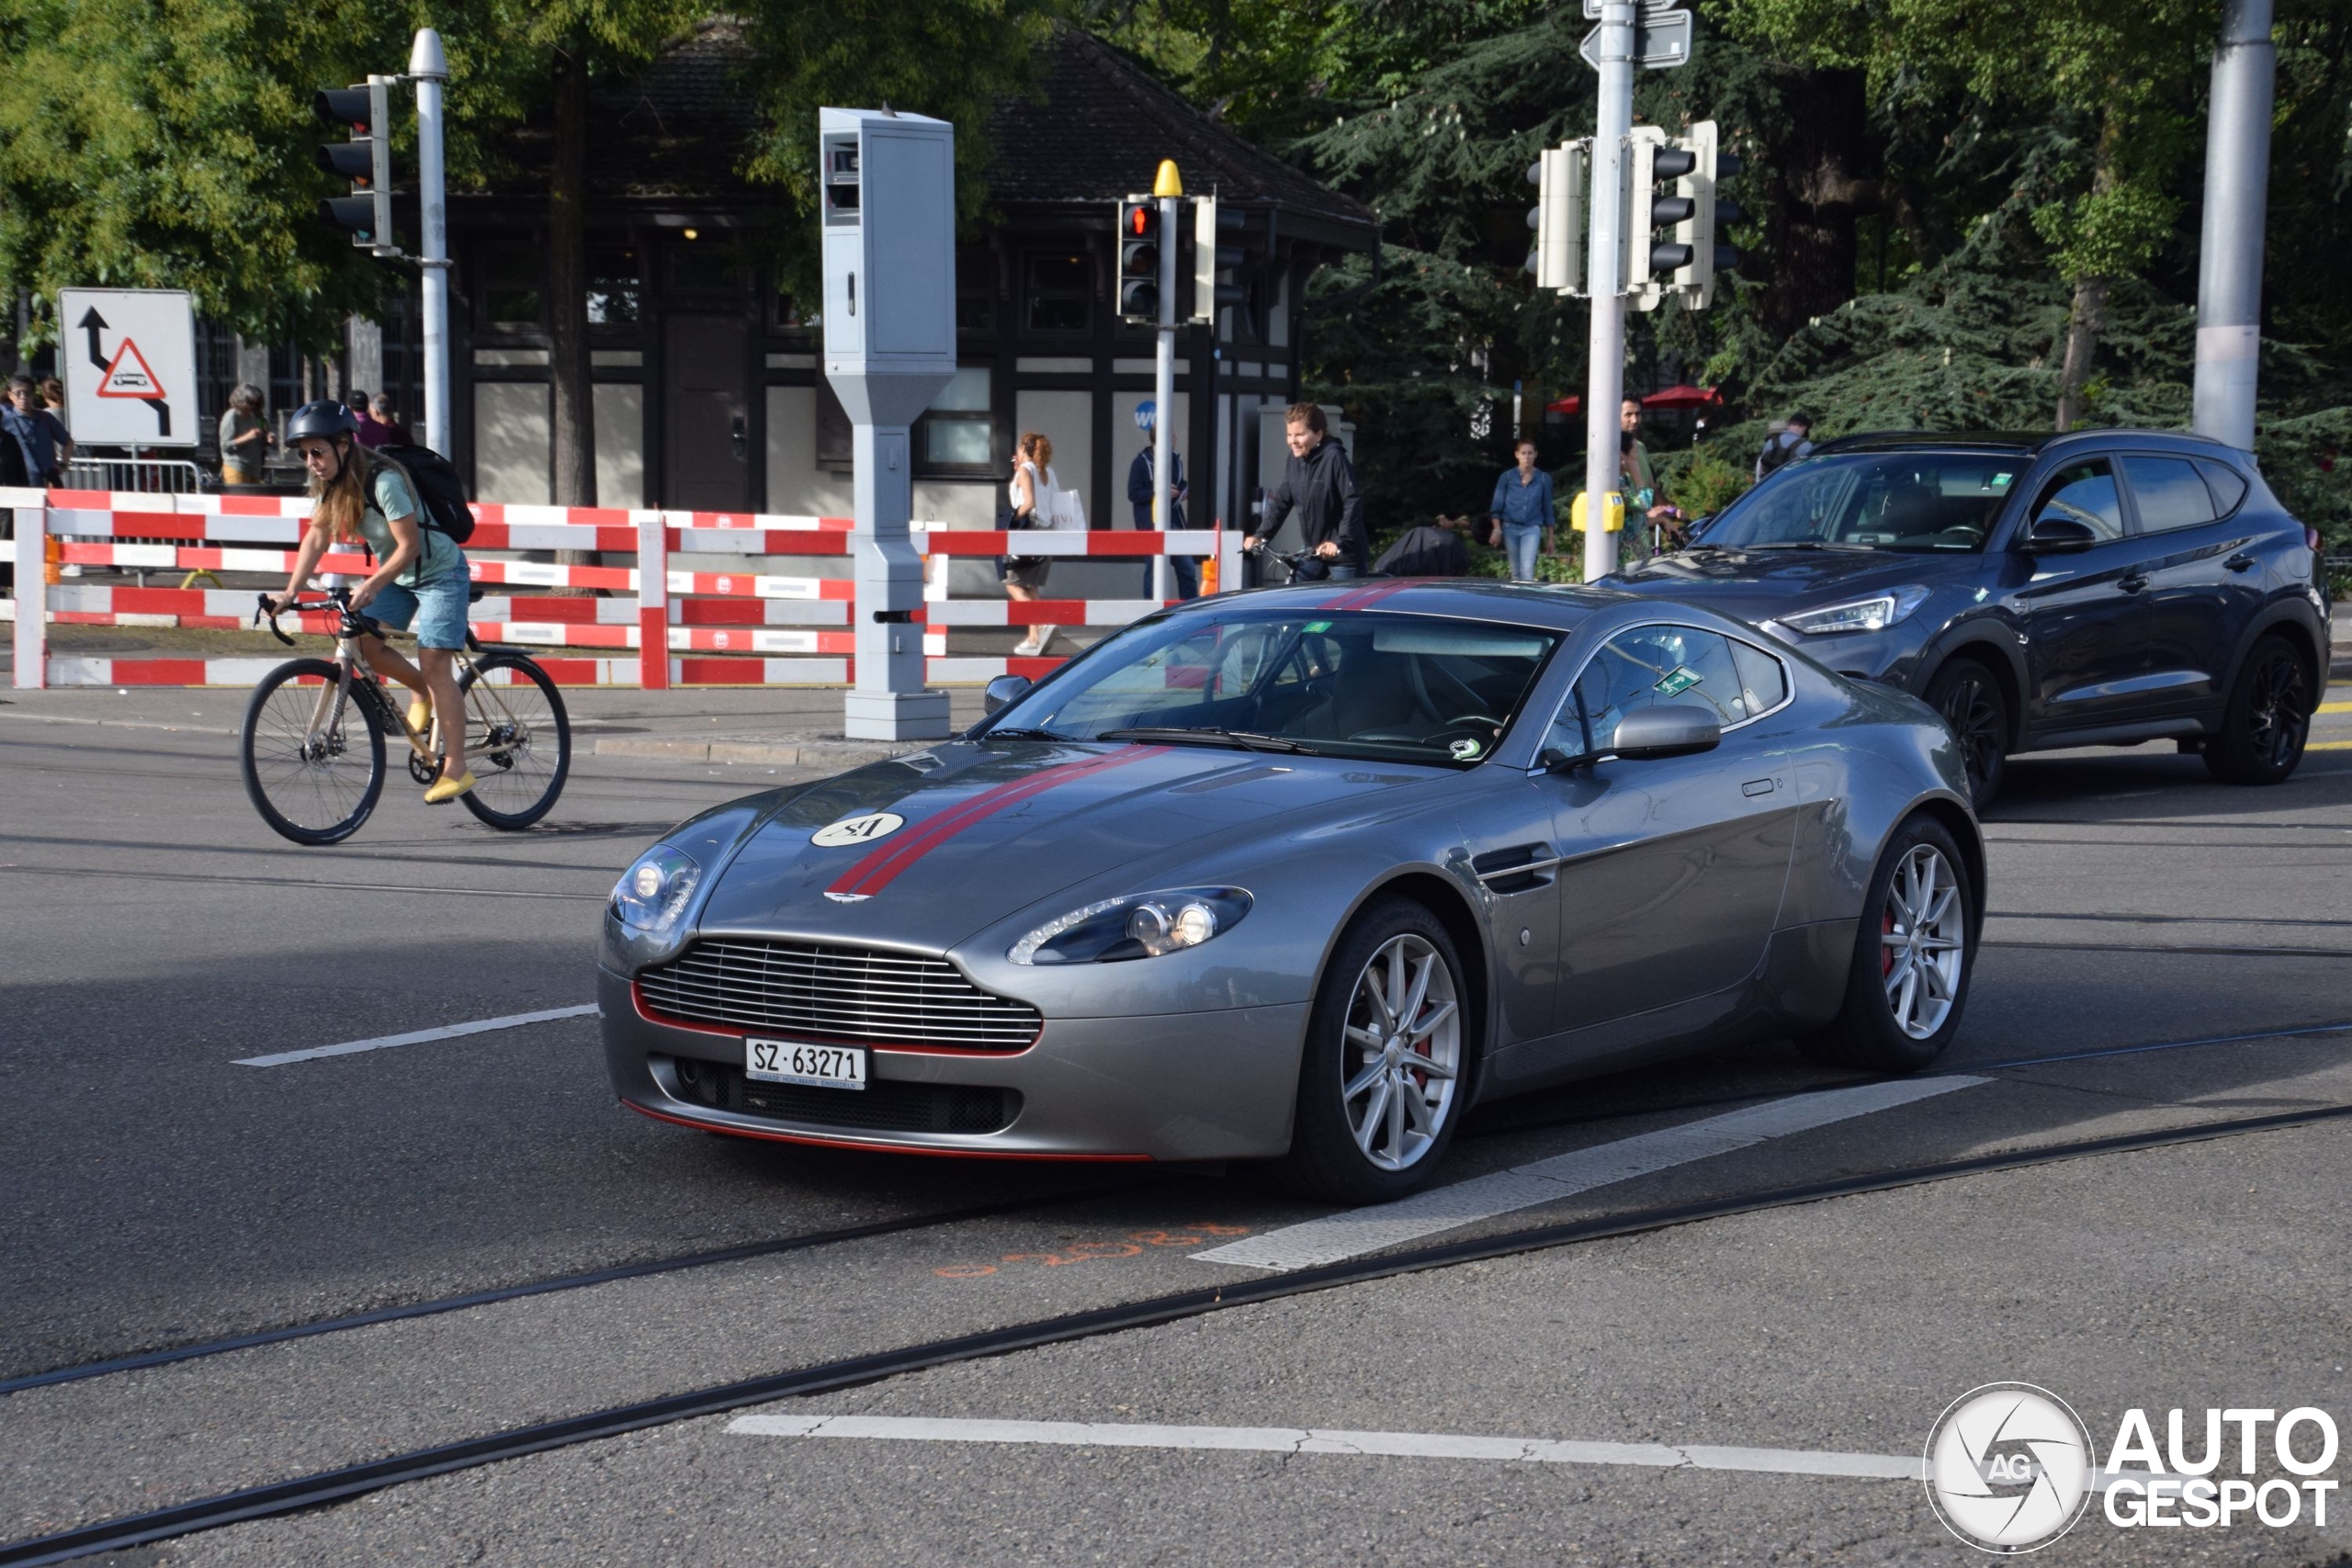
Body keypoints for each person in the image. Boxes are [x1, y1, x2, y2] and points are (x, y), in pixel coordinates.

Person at [265, 400, 476, 803]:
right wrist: (290, 592)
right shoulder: (334, 484)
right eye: (305, 453)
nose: (311, 461)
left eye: (317, 451)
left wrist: (373, 584)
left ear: (343, 445)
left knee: (434, 661)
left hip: (440, 573)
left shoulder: (384, 482)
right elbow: (317, 536)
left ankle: (457, 768)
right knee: (361, 642)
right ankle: (423, 692)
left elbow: (410, 546)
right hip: (398, 575)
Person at [1246, 402, 1365, 580]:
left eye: (1300, 435)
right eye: (1289, 435)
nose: (1292, 441)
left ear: (1319, 434)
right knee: (1296, 591)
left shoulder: (1334, 458)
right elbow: (1281, 502)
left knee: (1344, 604)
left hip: (1343, 552)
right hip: (1314, 548)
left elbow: (1352, 501)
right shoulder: (1295, 460)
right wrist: (1261, 535)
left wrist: (1340, 541)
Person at [1125, 400, 1198, 601]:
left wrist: (1183, 491)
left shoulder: (1176, 459)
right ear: (1162, 439)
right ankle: (1151, 611)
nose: (1176, 439)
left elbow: (1181, 483)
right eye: (1172, 436)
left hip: (1174, 521)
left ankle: (1191, 607)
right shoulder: (1141, 462)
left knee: (1187, 568)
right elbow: (1133, 493)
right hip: (1151, 523)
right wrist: (1159, 493)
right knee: (1153, 569)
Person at [1004, 431, 1061, 658]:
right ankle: (1034, 638)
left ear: (1023, 449)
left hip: (1028, 531)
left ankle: (1042, 623)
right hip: (1047, 532)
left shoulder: (1026, 470)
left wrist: (1012, 518)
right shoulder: (1047, 471)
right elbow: (1057, 499)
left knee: (1011, 583)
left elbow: (1028, 503)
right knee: (1031, 586)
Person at [1619, 396, 1684, 561]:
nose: (1634, 420)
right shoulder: (1613, 465)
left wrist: (1669, 511)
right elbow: (1640, 506)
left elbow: (1651, 488)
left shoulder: (1639, 447)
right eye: (1628, 414)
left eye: (1638, 414)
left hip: (1640, 546)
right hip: (1624, 554)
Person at [1487, 437, 1555, 582]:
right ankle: (1516, 603)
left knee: (1527, 570)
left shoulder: (1543, 479)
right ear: (1517, 454)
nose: (1527, 457)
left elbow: (1548, 510)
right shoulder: (1507, 478)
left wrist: (1550, 538)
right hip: (1510, 528)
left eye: (1530, 453)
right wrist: (1497, 529)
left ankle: (1528, 602)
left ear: (1535, 454)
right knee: (1516, 573)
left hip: (1531, 528)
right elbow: (1496, 506)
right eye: (1523, 453)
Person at [5, 373, 73, 482]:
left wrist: (64, 464)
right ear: (10, 395)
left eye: (27, 393)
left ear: (33, 394)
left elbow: (68, 442)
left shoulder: (46, 418)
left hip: (48, 479)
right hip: (19, 482)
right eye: (18, 393)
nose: (23, 397)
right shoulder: (5, 420)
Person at [219, 384, 272, 485]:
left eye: (256, 404)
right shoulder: (231, 416)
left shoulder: (253, 418)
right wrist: (247, 437)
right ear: (241, 400)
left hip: (254, 469)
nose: (253, 407)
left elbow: (257, 444)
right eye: (251, 403)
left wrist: (267, 441)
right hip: (236, 466)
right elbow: (225, 446)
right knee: (238, 500)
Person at [1756, 412, 1814, 480]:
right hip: (1792, 488)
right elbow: (1811, 475)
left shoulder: (1770, 443)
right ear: (1804, 427)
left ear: (1788, 425)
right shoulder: (1806, 446)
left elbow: (1761, 469)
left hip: (1770, 487)